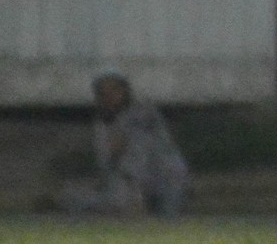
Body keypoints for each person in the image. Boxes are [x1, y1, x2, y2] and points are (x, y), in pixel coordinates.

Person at [57, 72, 190, 218]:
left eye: (114, 90)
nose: (109, 97)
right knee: (73, 196)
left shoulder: (143, 112)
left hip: (162, 178)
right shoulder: (102, 124)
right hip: (123, 186)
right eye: (103, 93)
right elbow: (107, 162)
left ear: (125, 91)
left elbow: (142, 151)